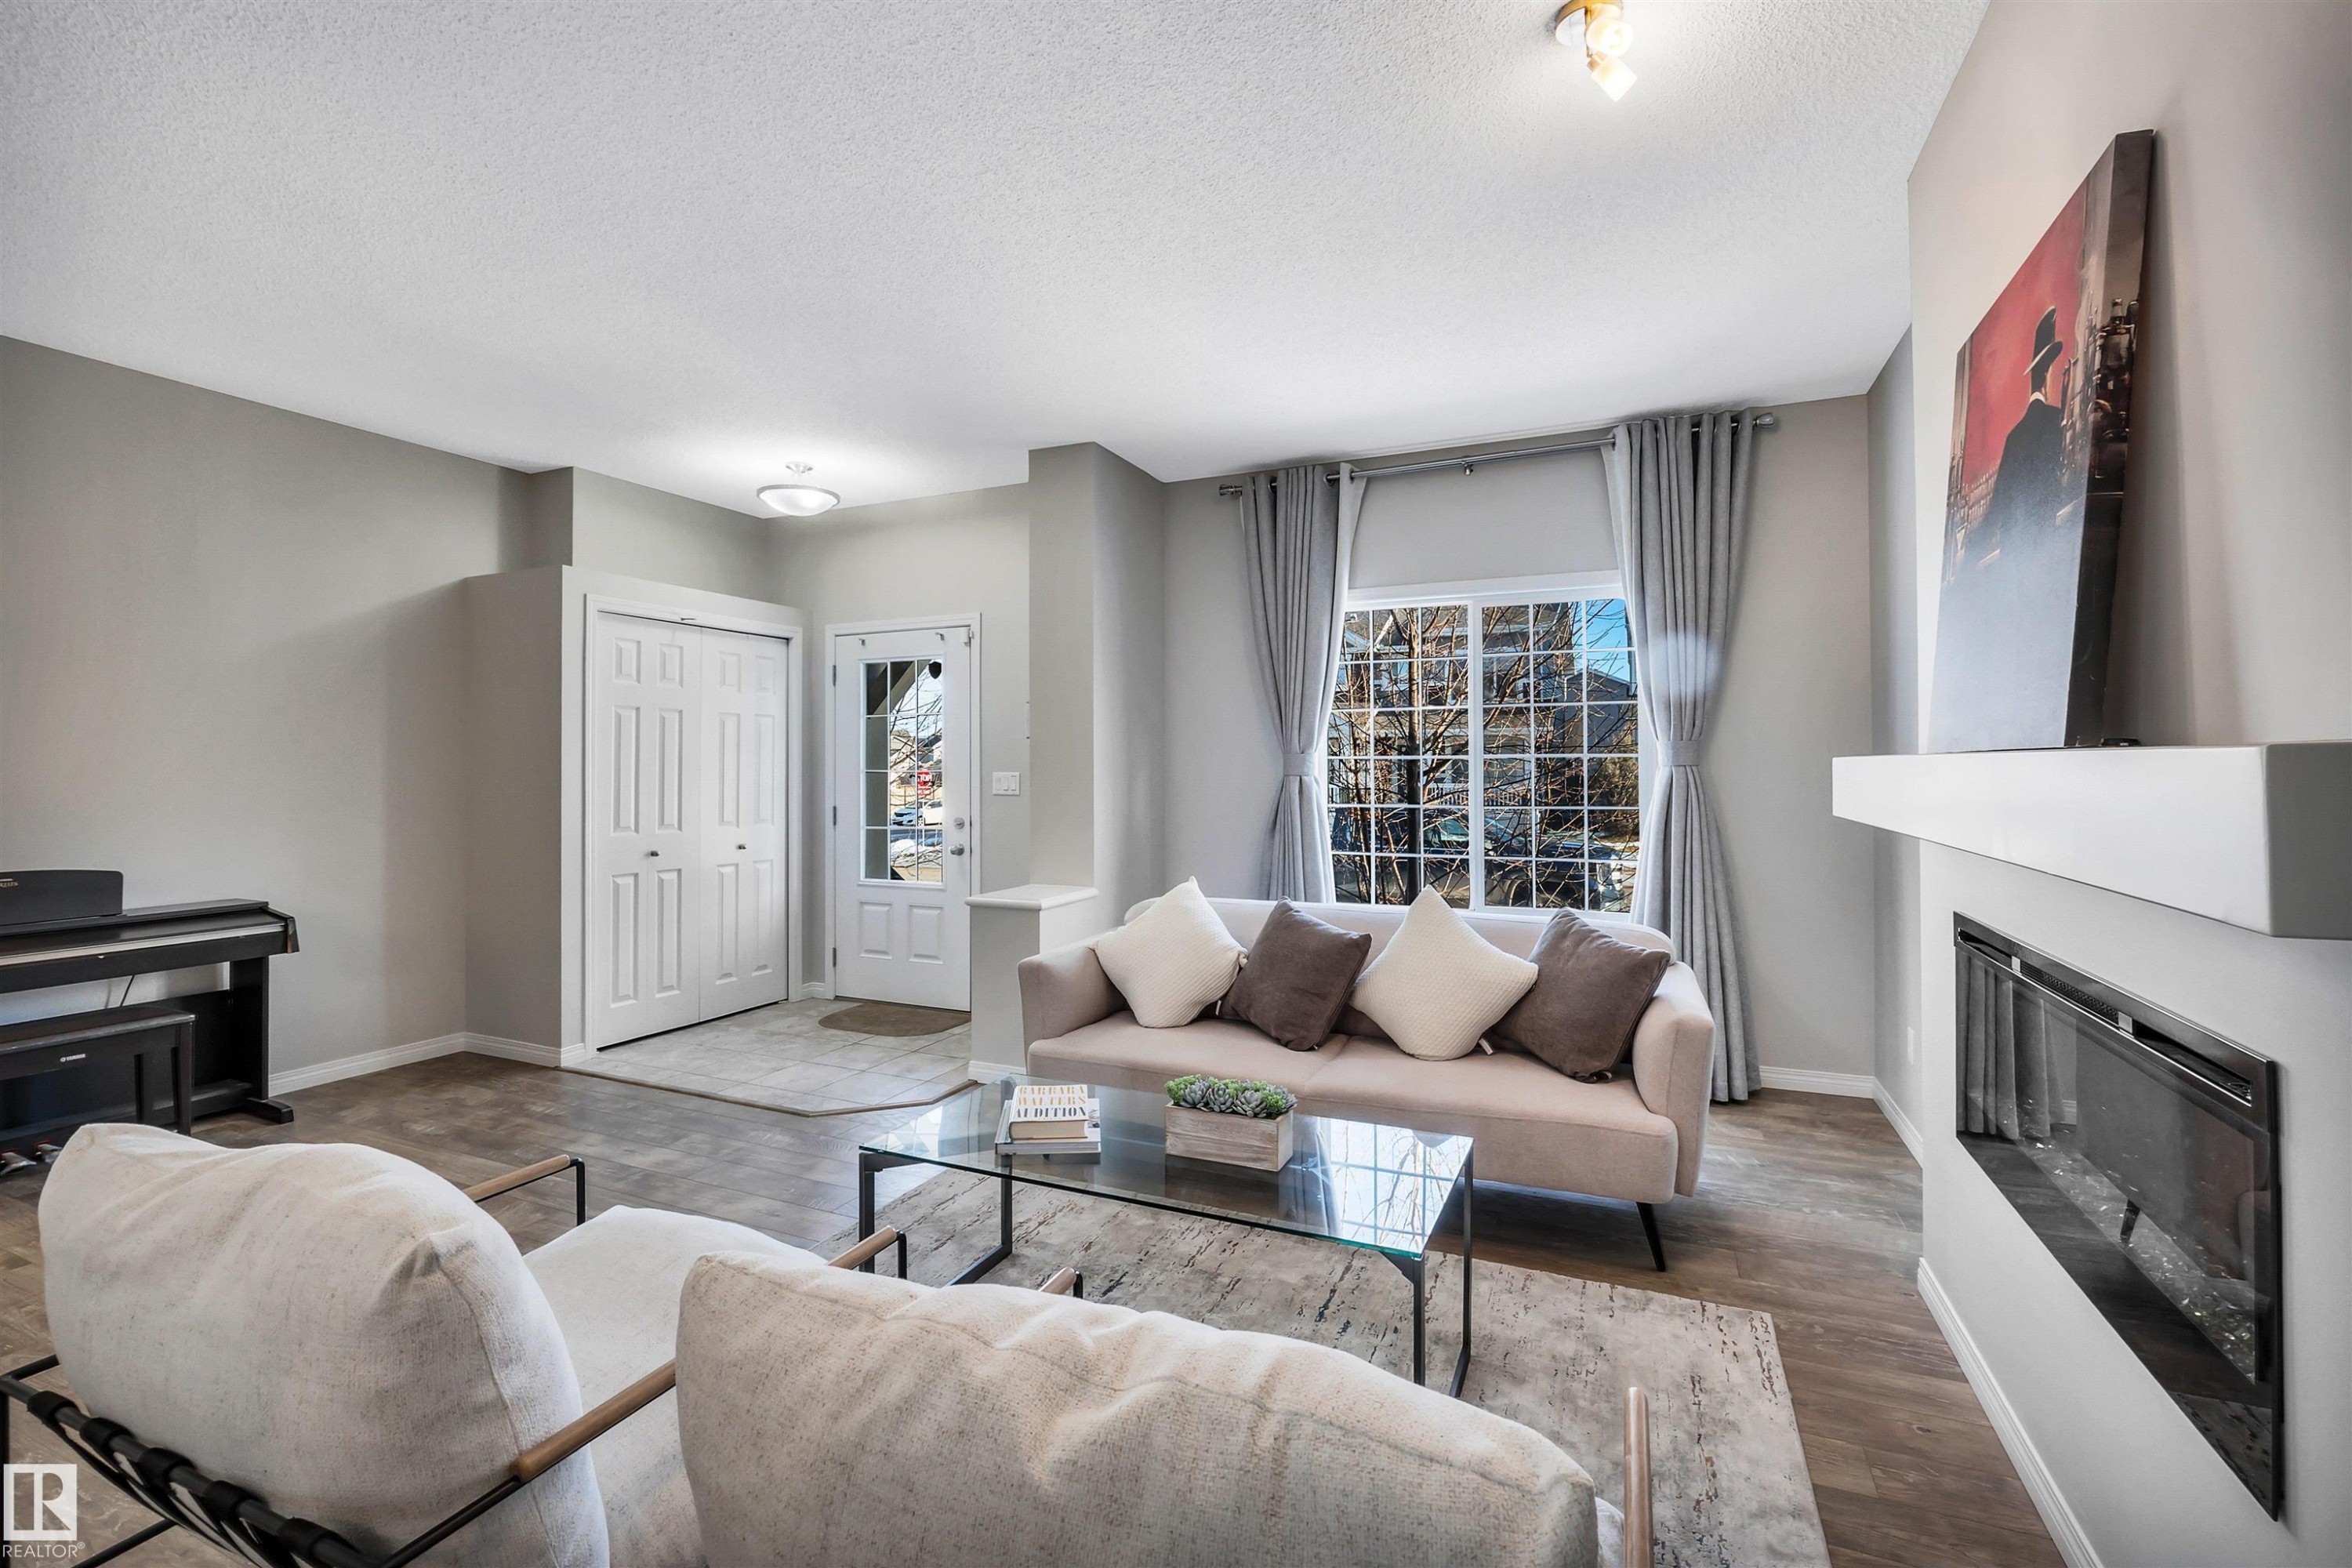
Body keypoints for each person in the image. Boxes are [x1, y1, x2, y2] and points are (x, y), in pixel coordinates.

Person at [1964, 307, 2068, 569]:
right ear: (2049, 374)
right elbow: (2060, 477)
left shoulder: (2015, 435)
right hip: (2046, 542)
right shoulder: (2056, 419)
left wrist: (1972, 552)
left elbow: (1999, 502)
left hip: (2014, 548)